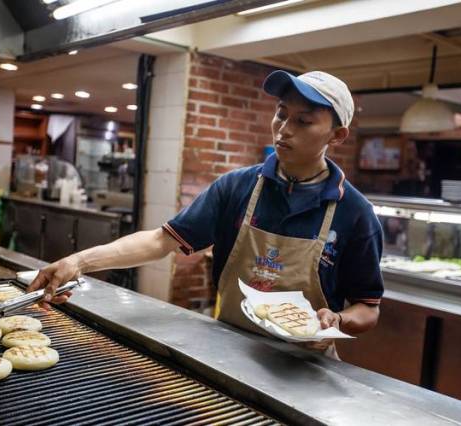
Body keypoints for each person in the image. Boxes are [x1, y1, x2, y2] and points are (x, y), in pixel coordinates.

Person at [28, 70, 384, 357]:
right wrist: (79, 261)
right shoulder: (237, 187)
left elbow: (367, 308)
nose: (284, 129)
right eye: (281, 113)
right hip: (229, 350)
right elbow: (160, 241)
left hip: (306, 367)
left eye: (304, 121)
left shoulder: (354, 213)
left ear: (337, 136)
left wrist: (338, 320)